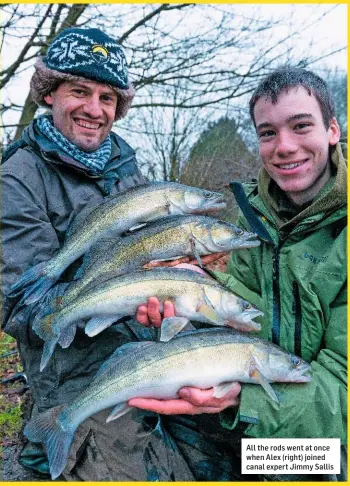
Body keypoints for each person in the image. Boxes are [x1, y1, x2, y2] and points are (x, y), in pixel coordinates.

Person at [1, 27, 237, 481]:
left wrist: (179, 277)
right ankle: (43, 447)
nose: (94, 109)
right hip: (80, 380)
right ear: (49, 95)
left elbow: (154, 258)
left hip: (158, 355)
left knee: (269, 452)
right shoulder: (17, 179)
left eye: (107, 98)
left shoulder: (127, 174)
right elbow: (21, 307)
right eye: (79, 91)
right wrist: (115, 294)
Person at [133, 67, 347, 481]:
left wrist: (241, 397)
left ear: (333, 130)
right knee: (148, 433)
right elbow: (253, 320)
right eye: (268, 133)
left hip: (329, 444)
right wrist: (197, 291)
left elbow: (341, 390)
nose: (284, 146)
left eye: (301, 126)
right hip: (264, 420)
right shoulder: (257, 223)